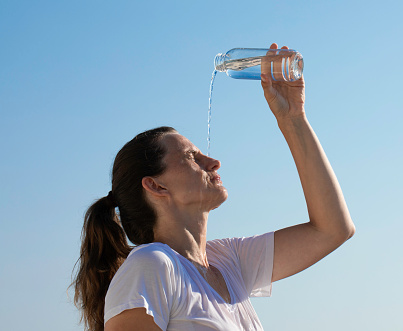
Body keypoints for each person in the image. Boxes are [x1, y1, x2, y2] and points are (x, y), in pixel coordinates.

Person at [72, 43, 355, 331]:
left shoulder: (229, 262)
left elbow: (333, 229)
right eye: (191, 157)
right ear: (156, 186)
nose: (214, 162)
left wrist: (293, 118)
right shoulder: (152, 265)